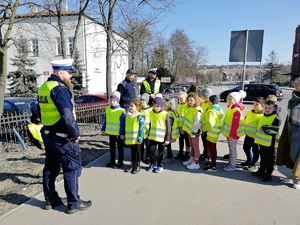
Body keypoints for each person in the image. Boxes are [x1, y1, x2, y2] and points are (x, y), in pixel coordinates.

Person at [37, 58, 92, 214]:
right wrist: (75, 134)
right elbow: (67, 115)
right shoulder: (60, 89)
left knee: (50, 167)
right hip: (62, 137)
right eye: (68, 72)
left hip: (48, 134)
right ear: (60, 72)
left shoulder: (44, 87)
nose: (70, 76)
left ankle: (50, 199)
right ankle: (74, 203)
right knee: (72, 167)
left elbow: (38, 110)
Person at [277, 77, 300, 189]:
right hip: (292, 129)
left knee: (297, 156)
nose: (295, 85)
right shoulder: (294, 97)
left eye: (298, 84)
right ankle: (295, 175)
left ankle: (297, 179)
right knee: (291, 154)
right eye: (295, 83)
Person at [253, 100, 280, 182]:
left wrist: (265, 129)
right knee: (263, 158)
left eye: (269, 108)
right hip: (262, 142)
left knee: (269, 160)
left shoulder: (275, 118)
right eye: (266, 107)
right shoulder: (263, 116)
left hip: (270, 143)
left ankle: (268, 175)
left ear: (273, 108)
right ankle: (261, 171)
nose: (267, 109)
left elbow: (274, 131)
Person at [221, 90, 246, 172]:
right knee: (231, 149)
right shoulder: (231, 108)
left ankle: (232, 164)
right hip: (229, 134)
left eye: (231, 99)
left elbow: (235, 125)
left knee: (233, 149)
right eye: (228, 98)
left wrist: (232, 134)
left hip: (233, 134)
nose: (228, 100)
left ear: (235, 100)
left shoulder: (236, 110)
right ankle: (230, 162)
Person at [101, 91, 126, 169]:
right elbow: (106, 120)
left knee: (120, 148)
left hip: (118, 133)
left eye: (114, 100)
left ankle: (120, 161)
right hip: (111, 132)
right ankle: (112, 160)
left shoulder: (121, 111)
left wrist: (122, 134)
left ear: (117, 101)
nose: (112, 102)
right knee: (112, 147)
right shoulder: (108, 109)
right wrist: (103, 128)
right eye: (111, 100)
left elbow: (122, 124)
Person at [147, 96, 171, 173]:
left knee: (161, 152)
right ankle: (152, 163)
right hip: (152, 136)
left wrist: (167, 138)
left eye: (158, 106)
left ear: (161, 106)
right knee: (151, 151)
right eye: (154, 106)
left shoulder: (165, 114)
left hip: (161, 137)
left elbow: (168, 127)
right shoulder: (151, 113)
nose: (156, 108)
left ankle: (160, 165)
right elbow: (149, 124)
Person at [202, 95, 224, 172]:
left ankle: (213, 166)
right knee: (213, 149)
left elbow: (210, 123)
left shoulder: (211, 111)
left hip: (211, 133)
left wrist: (203, 128)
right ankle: (212, 163)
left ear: (211, 102)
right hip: (215, 133)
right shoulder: (218, 110)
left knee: (211, 150)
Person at [241, 97, 264, 170]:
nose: (254, 105)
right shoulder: (249, 112)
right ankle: (249, 160)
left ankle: (253, 164)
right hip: (248, 135)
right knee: (246, 148)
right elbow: (245, 121)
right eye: (254, 103)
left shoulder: (262, 116)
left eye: (257, 104)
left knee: (255, 151)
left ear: (262, 106)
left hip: (256, 137)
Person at [182, 92, 202, 170]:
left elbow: (197, 122)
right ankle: (192, 158)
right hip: (189, 132)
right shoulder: (190, 108)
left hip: (194, 132)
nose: (190, 102)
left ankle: (196, 163)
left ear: (195, 101)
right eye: (189, 100)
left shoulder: (197, 110)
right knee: (192, 146)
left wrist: (194, 131)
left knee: (195, 147)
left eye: (192, 100)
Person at [125, 100, 145, 174]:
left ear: (137, 107)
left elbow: (142, 128)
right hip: (131, 138)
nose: (130, 107)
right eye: (130, 106)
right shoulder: (128, 116)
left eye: (132, 106)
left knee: (137, 151)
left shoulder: (140, 116)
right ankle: (133, 164)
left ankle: (138, 165)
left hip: (137, 138)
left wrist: (140, 138)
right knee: (132, 151)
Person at [175, 91, 190, 161]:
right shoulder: (178, 105)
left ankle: (187, 153)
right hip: (180, 127)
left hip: (186, 127)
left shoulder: (187, 106)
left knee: (187, 140)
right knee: (181, 140)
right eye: (179, 99)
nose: (180, 100)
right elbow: (177, 115)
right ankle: (180, 152)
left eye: (182, 98)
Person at [164, 98, 180, 162]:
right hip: (171, 133)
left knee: (168, 145)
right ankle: (170, 156)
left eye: (168, 103)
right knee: (168, 146)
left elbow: (169, 125)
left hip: (169, 133)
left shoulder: (169, 114)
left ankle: (169, 157)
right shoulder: (173, 112)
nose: (166, 104)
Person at [199, 87, 212, 162]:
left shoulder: (210, 104)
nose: (201, 96)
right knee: (204, 140)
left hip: (207, 126)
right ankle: (205, 153)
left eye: (202, 95)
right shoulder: (203, 103)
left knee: (207, 141)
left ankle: (208, 155)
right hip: (202, 125)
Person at [139, 93, 151, 164]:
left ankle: (148, 157)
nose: (142, 102)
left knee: (148, 146)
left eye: (144, 100)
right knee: (141, 146)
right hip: (141, 131)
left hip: (148, 131)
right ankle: (140, 157)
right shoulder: (140, 110)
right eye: (141, 100)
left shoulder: (150, 110)